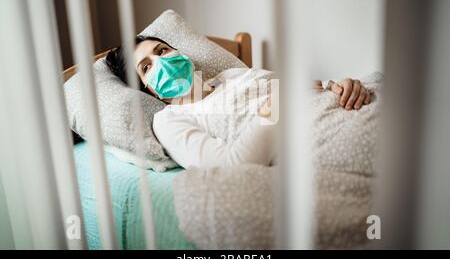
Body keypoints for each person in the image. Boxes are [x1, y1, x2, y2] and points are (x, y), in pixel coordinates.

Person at [106, 35, 373, 168]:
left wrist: (342, 86)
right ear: (149, 90)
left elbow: (307, 86)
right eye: (147, 67)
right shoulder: (169, 120)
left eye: (162, 51)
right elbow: (232, 166)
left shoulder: (231, 76)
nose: (162, 61)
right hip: (328, 138)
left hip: (353, 105)